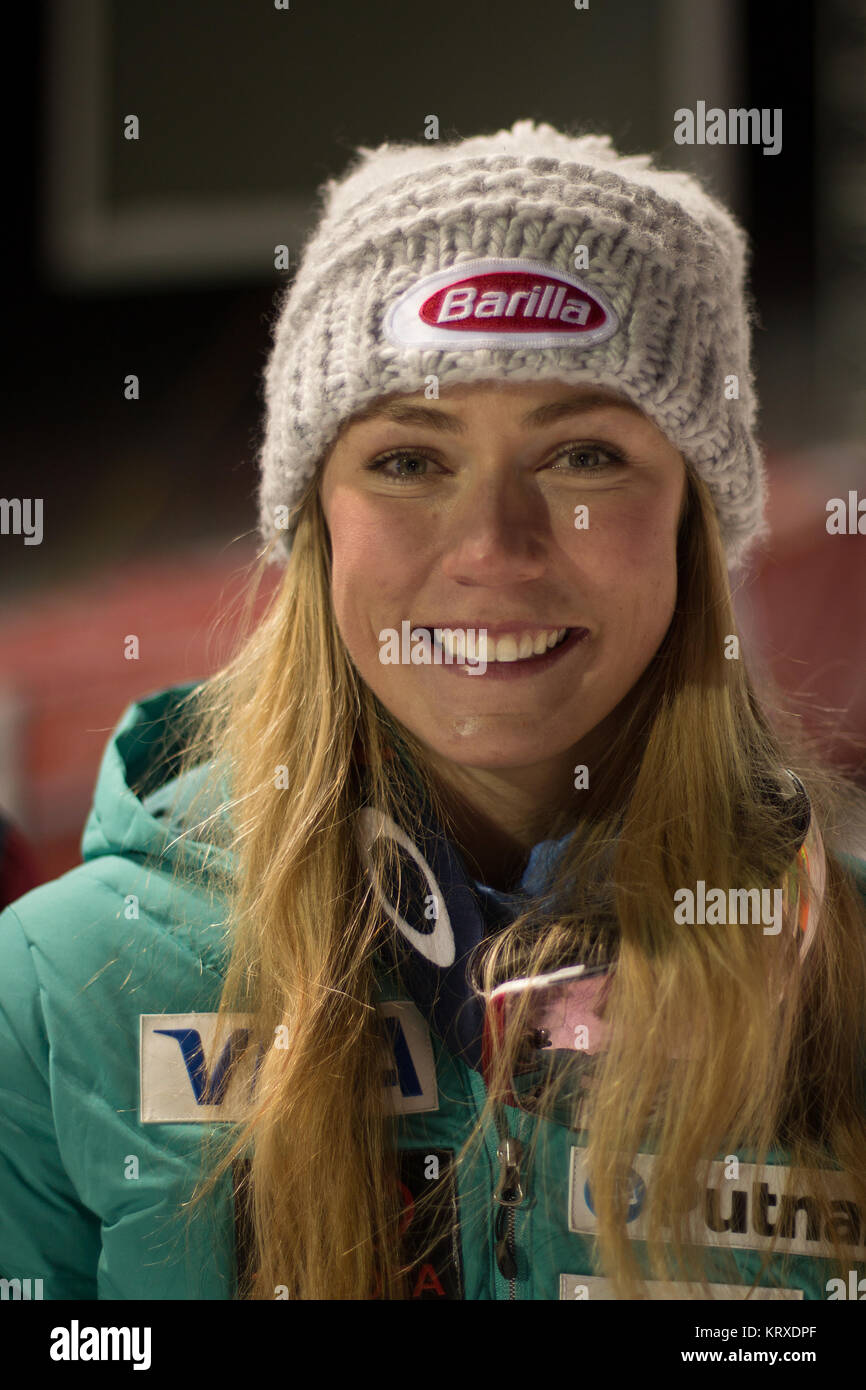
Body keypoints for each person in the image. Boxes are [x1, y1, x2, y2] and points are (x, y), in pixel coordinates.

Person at [1, 119, 864, 1303]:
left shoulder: (848, 981)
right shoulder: (52, 990)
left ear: (692, 520)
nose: (492, 550)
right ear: (314, 521)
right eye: (409, 458)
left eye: (583, 457)